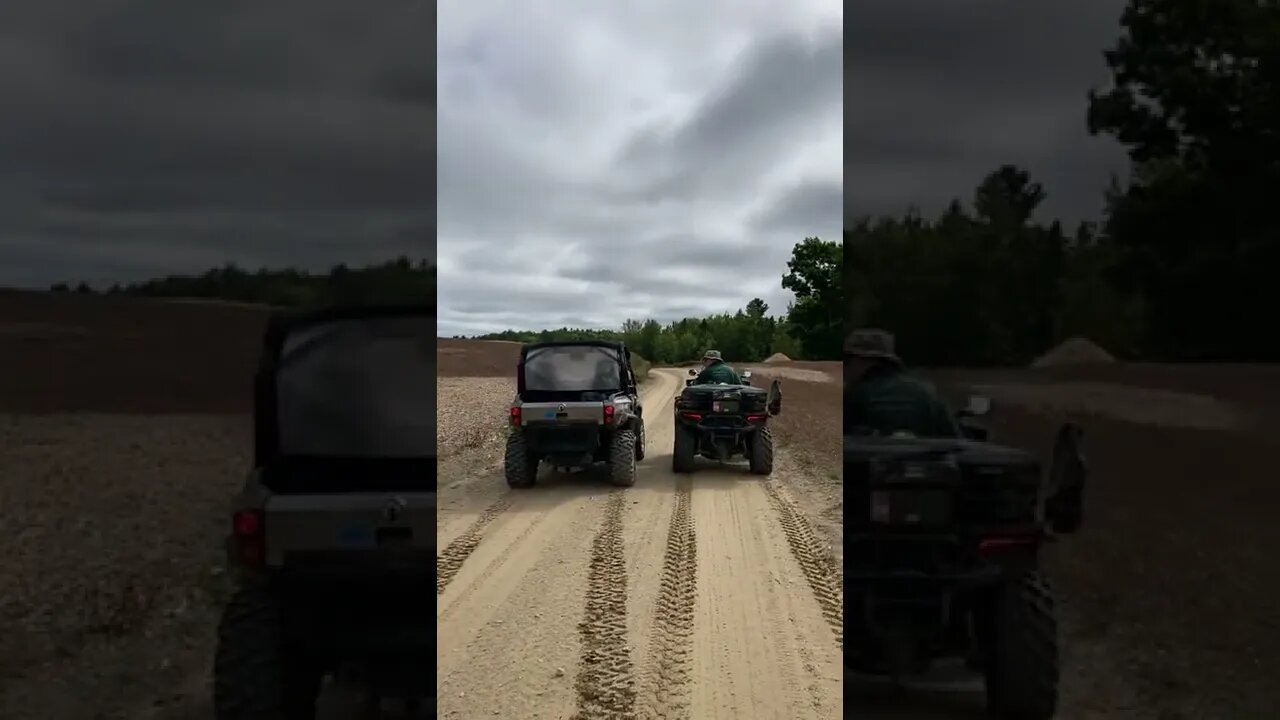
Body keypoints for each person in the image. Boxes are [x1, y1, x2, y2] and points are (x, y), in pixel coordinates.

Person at [843, 328, 959, 438]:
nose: (844, 369)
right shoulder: (929, 393)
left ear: (863, 360)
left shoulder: (852, 396)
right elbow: (956, 442)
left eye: (847, 361)